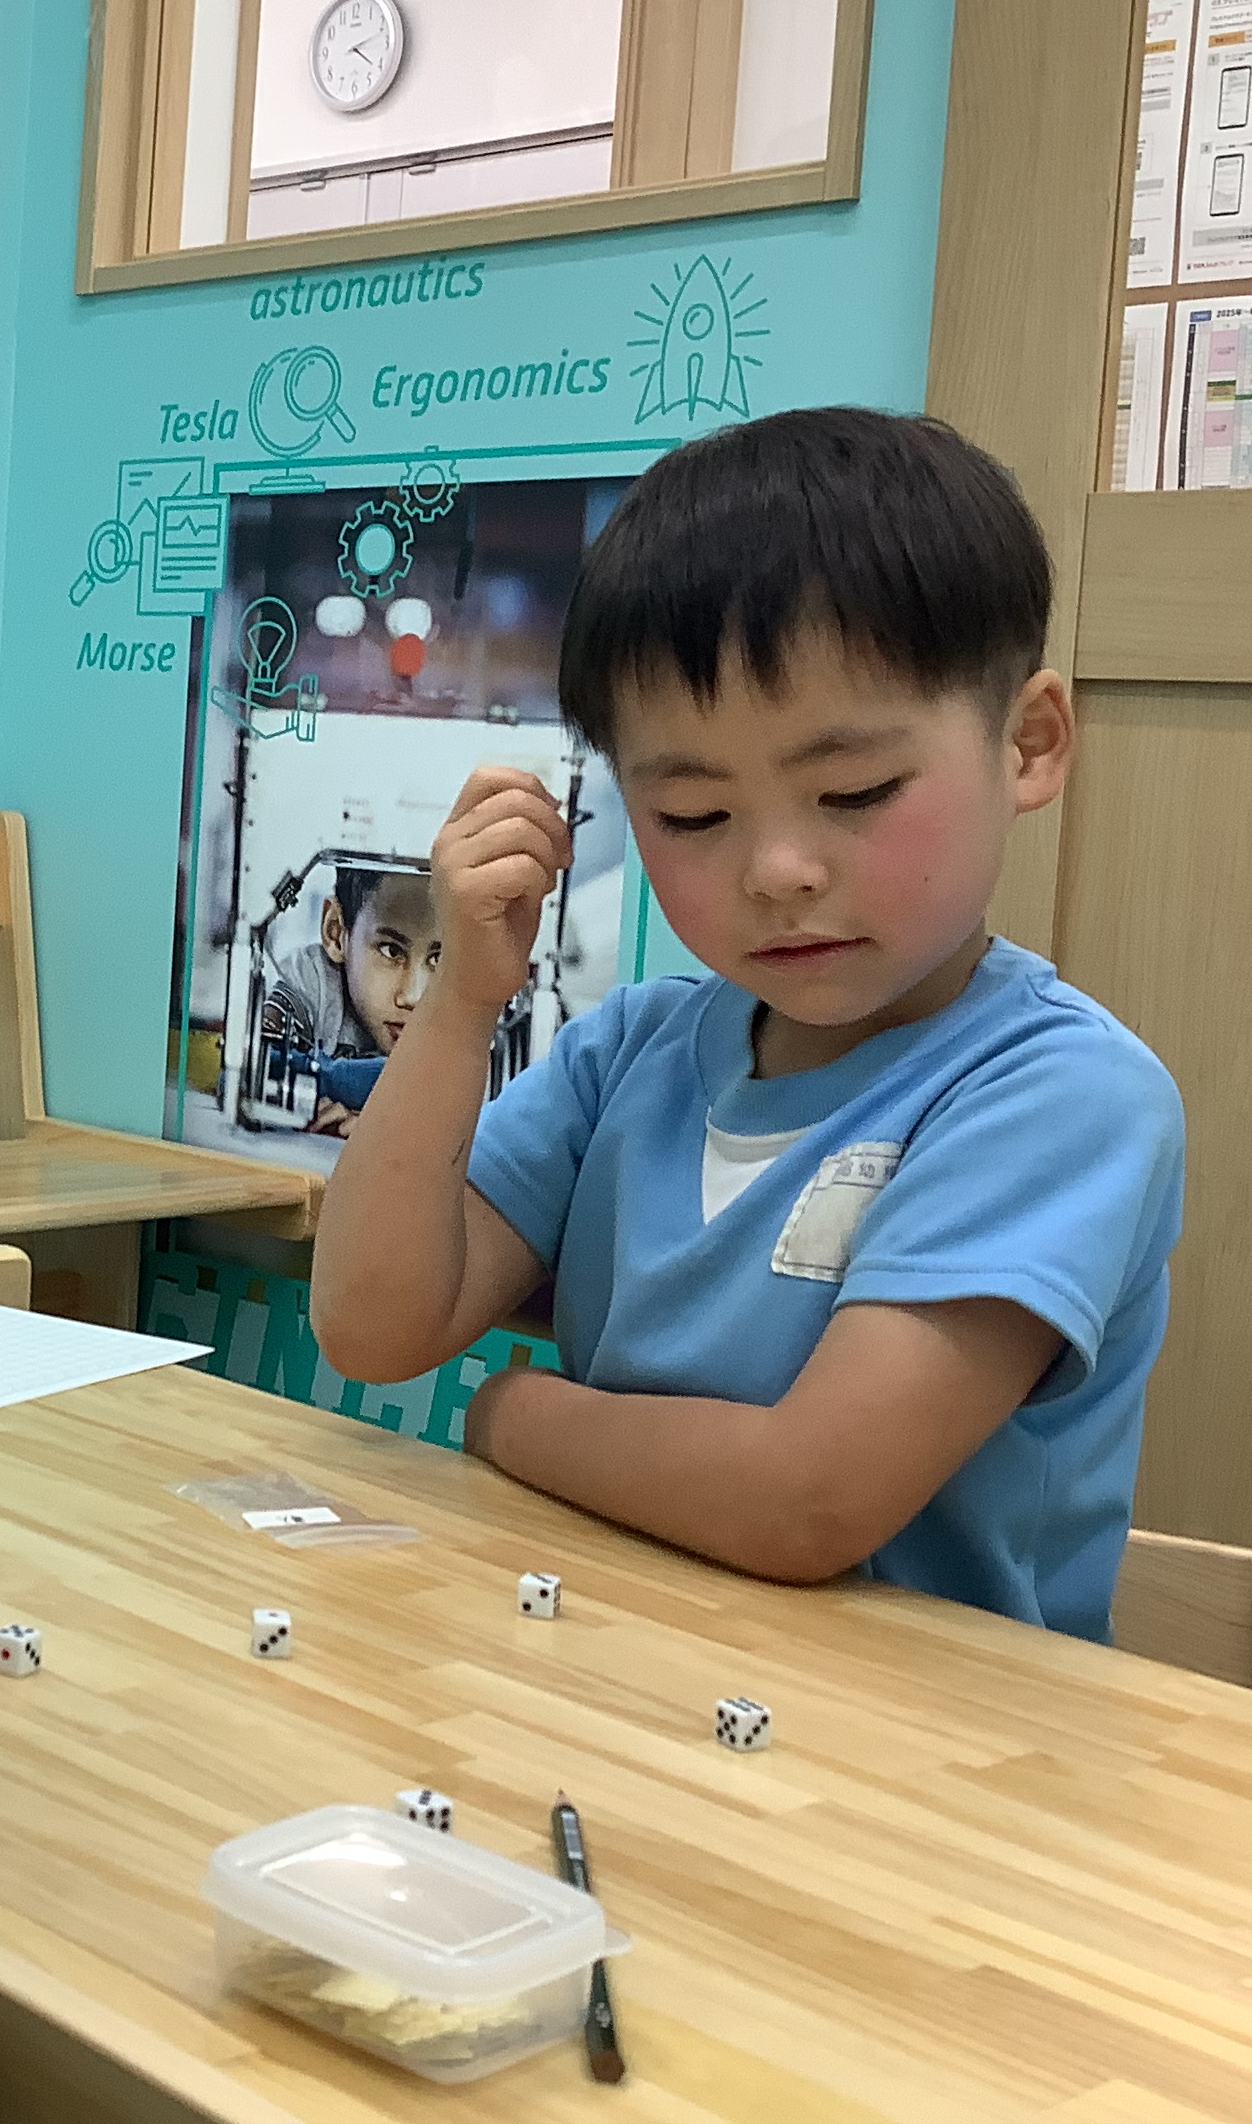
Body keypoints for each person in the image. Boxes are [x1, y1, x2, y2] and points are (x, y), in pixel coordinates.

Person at [310, 410, 1185, 1640]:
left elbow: (803, 1503)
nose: (777, 870)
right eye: (694, 815)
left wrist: (511, 1412)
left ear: (1027, 744)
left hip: (912, 1737)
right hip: (602, 1675)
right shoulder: (630, 1054)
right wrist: (459, 1005)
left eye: (855, 792)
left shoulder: (1059, 1093)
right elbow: (371, 1325)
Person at [260, 862, 444, 1134]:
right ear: (336, 932)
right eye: (391, 951)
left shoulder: (465, 1013)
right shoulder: (314, 981)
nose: (413, 997)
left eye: (439, 959)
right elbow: (262, 1060)